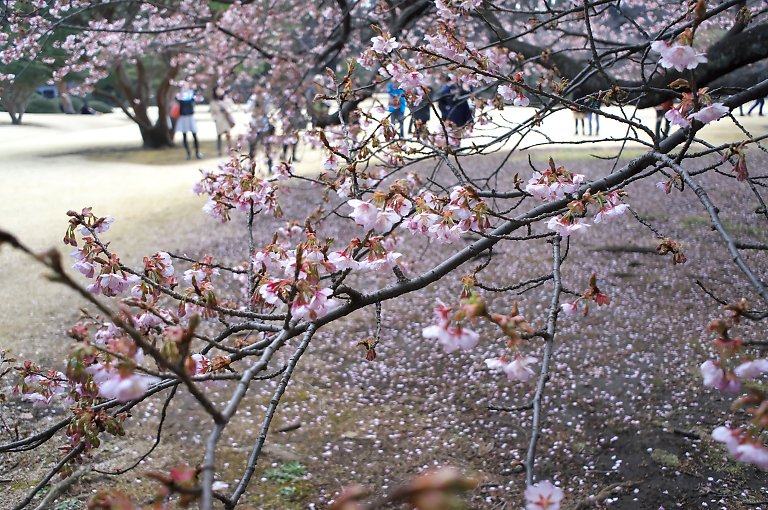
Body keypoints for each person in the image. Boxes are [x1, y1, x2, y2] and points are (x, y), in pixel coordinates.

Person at [175, 87, 202, 160]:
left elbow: (197, 96)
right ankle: (188, 153)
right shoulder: (179, 95)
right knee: (184, 135)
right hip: (183, 117)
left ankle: (197, 152)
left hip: (190, 116)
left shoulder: (192, 93)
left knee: (194, 135)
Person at [209, 87, 236, 156]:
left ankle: (230, 150)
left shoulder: (227, 99)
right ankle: (219, 151)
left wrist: (227, 110)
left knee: (228, 135)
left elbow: (231, 108)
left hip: (225, 119)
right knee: (219, 136)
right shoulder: (213, 102)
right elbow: (212, 112)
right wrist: (215, 118)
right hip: (219, 120)